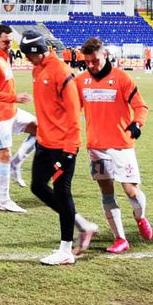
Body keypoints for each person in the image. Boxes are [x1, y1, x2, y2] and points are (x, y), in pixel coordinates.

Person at [19, 29, 98, 265]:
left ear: (38, 52)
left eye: (28, 55)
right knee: (38, 187)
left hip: (64, 146)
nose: (26, 59)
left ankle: (66, 251)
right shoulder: (37, 69)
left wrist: (69, 150)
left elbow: (75, 115)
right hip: (44, 142)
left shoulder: (62, 73)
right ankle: (83, 225)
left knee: (62, 192)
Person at [75, 37, 152, 253]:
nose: (91, 65)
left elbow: (140, 105)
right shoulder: (80, 81)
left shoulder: (121, 78)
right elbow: (71, 108)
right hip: (96, 148)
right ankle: (120, 239)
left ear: (105, 55)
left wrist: (138, 122)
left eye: (95, 61)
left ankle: (140, 217)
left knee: (131, 191)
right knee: (106, 192)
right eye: (87, 62)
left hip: (121, 145)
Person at [0, 24, 36, 213]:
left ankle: (16, 164)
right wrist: (14, 97)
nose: (9, 44)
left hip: (10, 111)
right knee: (3, 155)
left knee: (40, 128)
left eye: (10, 41)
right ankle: (4, 201)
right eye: (5, 41)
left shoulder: (5, 56)